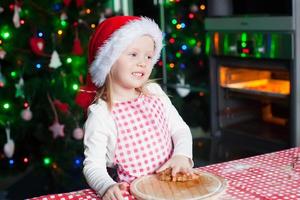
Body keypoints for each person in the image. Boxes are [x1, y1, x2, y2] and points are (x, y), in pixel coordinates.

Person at [76, 16, 194, 200]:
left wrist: (182, 155)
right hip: (136, 195)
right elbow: (93, 166)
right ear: (109, 61)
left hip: (173, 188)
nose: (143, 62)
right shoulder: (101, 114)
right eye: (133, 54)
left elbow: (180, 129)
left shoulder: (155, 93)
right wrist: (106, 186)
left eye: (148, 56)